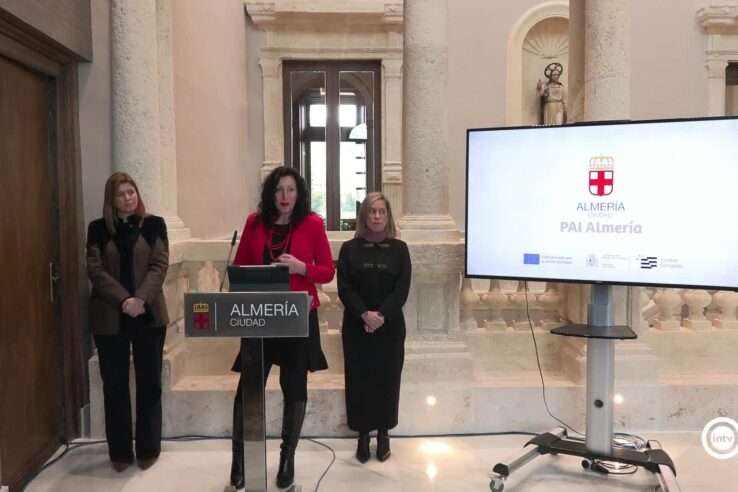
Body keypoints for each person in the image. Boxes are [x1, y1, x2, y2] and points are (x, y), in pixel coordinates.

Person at [229, 166, 335, 489]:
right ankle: (239, 459)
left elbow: (327, 271)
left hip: (296, 316)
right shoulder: (254, 222)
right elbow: (240, 266)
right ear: (270, 193)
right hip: (260, 314)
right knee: (248, 389)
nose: (285, 196)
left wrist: (302, 268)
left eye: (290, 189)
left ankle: (287, 457)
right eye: (278, 189)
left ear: (299, 194)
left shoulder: (313, 224)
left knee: (294, 388)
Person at [86, 172, 169, 472]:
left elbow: (159, 265)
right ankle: (120, 452)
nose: (127, 198)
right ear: (112, 199)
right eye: (120, 194)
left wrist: (140, 300)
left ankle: (148, 447)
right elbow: (95, 270)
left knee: (150, 382)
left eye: (131, 191)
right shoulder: (97, 229)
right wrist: (124, 301)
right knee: (114, 385)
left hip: (148, 314)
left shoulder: (154, 225)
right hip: (110, 316)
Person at [337, 192, 411, 463]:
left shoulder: (400, 249)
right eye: (372, 211)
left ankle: (383, 434)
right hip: (357, 327)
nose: (377, 216)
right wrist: (364, 315)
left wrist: (379, 316)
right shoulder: (349, 249)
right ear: (364, 216)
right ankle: (362, 435)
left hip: (389, 328)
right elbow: (345, 289)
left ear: (388, 216)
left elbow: (401, 290)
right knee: (359, 381)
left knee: (387, 381)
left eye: (381, 211)